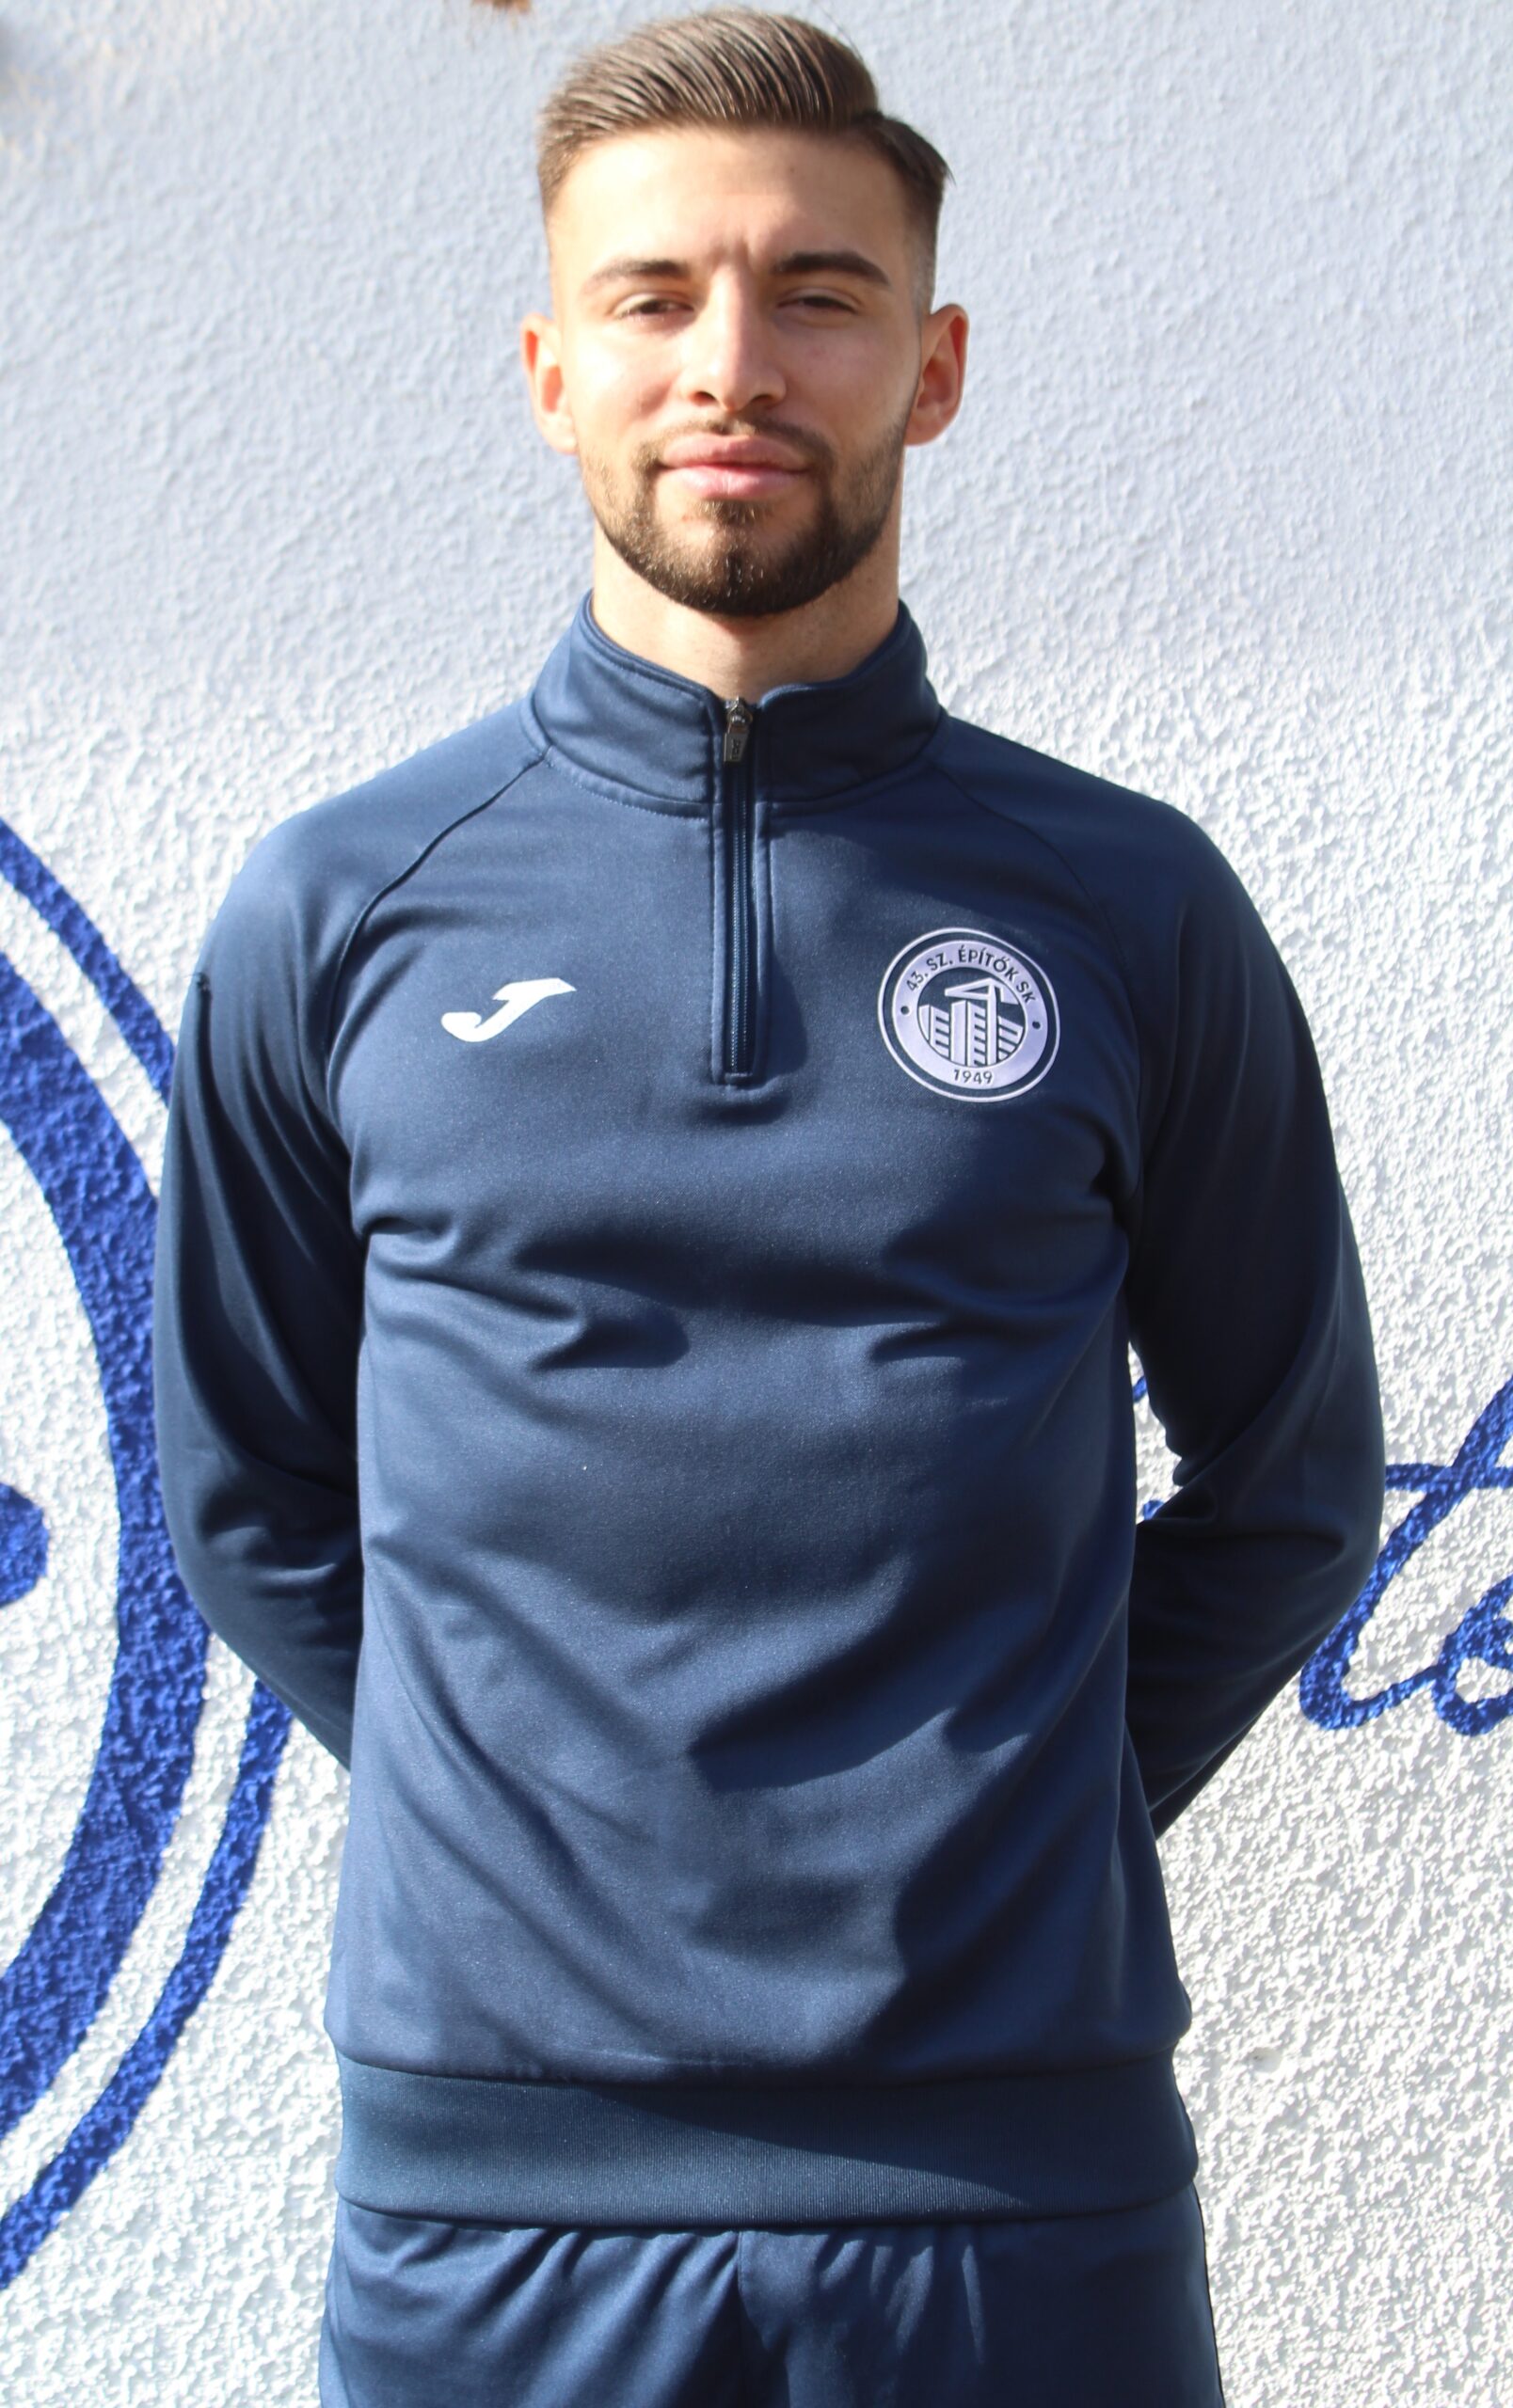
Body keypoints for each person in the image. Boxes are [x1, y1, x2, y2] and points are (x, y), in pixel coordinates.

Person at [151, 9, 1386, 2403]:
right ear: (550, 372)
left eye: (819, 294)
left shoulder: (1128, 905)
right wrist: (527, 1835)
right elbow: (251, 1494)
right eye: (654, 296)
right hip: (492, 2198)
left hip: (1020, 2198)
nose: (733, 362)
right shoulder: (337, 909)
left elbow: (1296, 1481)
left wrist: (1020, 1813)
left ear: (933, 367)